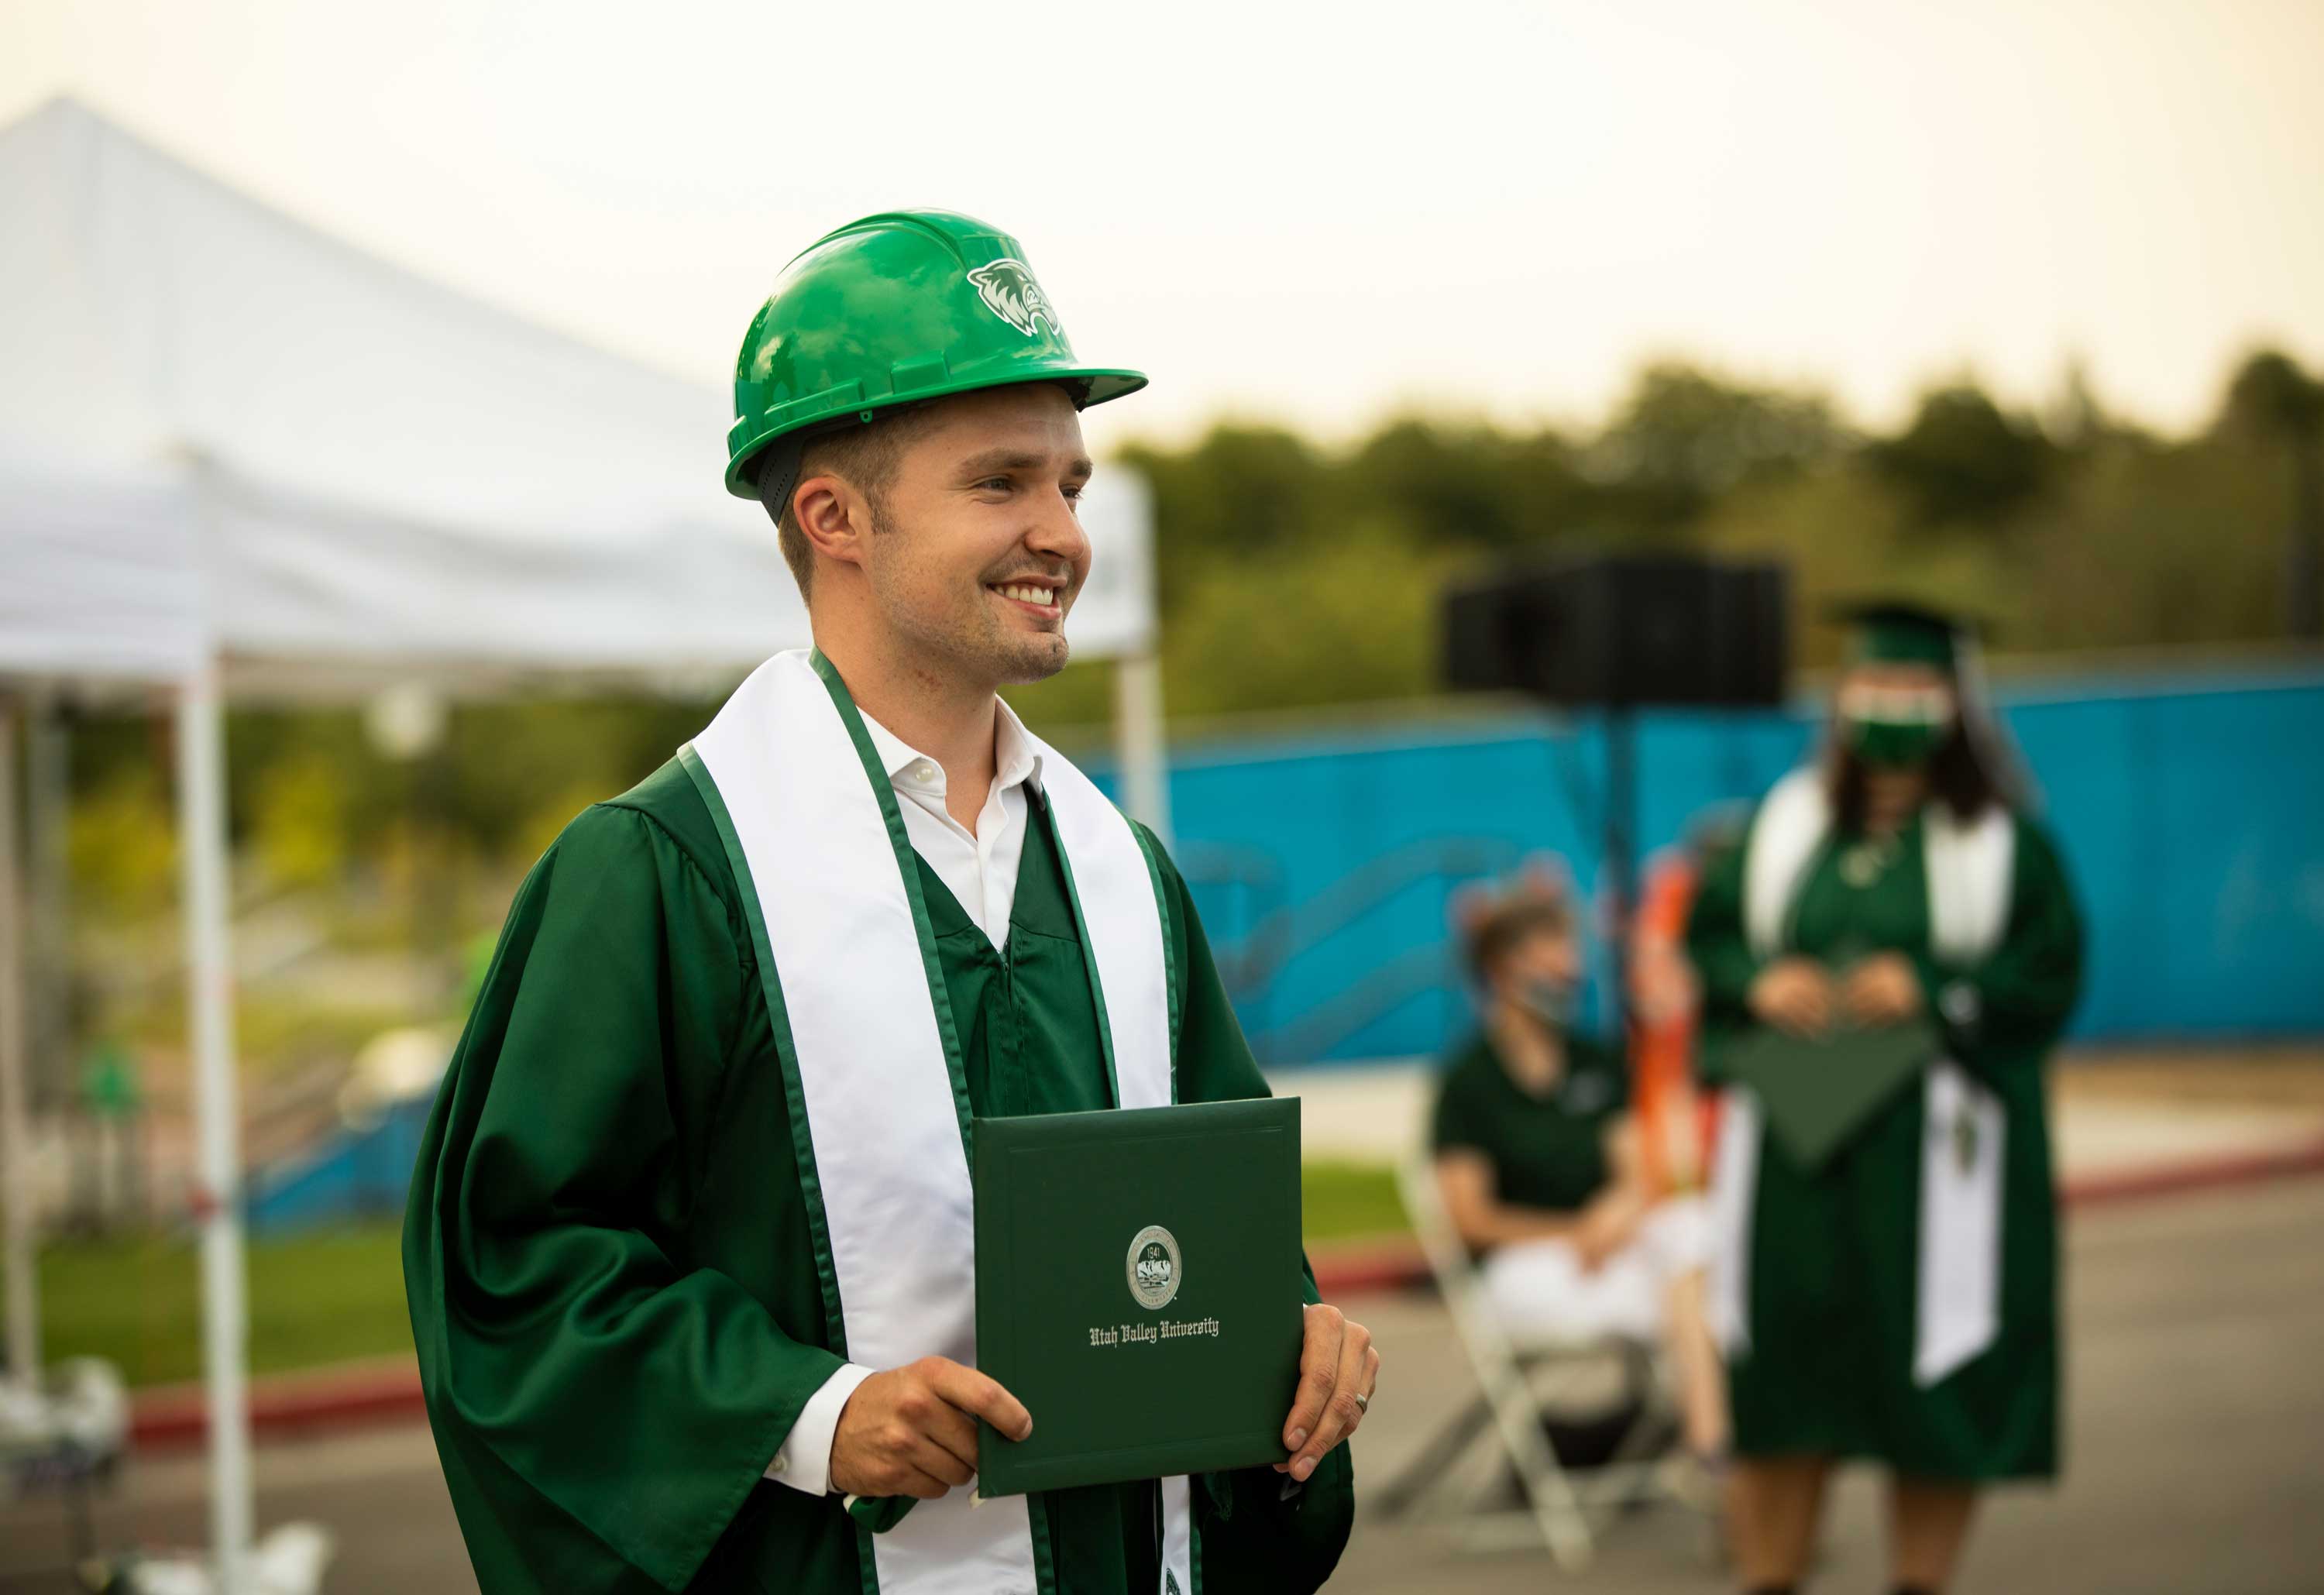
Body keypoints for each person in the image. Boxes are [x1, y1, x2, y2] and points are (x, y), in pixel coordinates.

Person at [403, 211, 1368, 1595]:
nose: (1061, 534)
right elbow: (519, 1270)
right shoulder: (667, 872)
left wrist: (1299, 1339)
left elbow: (1209, 1243)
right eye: (1002, 484)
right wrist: (808, 1413)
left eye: (1073, 485)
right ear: (833, 516)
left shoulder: (1118, 872)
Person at [1684, 603, 2085, 1595]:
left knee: (1931, 1376)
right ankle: (1769, 1575)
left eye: (1913, 688)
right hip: (1797, 1149)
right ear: (1841, 700)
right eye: (1871, 686)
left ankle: (1920, 1582)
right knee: (1785, 1371)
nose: (1889, 708)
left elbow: (2050, 971)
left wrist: (1939, 989)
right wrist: (1757, 980)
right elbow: (1713, 934)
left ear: (1956, 705)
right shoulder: (1783, 828)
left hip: (1937, 1158)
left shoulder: (2002, 844)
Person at [1431, 868, 1730, 1466]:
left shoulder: (1594, 1059)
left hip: (1613, 1252)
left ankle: (1712, 1441)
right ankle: (1730, 1453)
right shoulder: (1469, 1083)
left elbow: (1637, 1172)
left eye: (1569, 949)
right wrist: (1572, 1232)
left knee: (1693, 1231)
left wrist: (1614, 1212)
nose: (1568, 969)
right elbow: (1470, 1219)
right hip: (1527, 1268)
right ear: (1500, 967)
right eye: (1549, 952)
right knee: (1705, 1294)